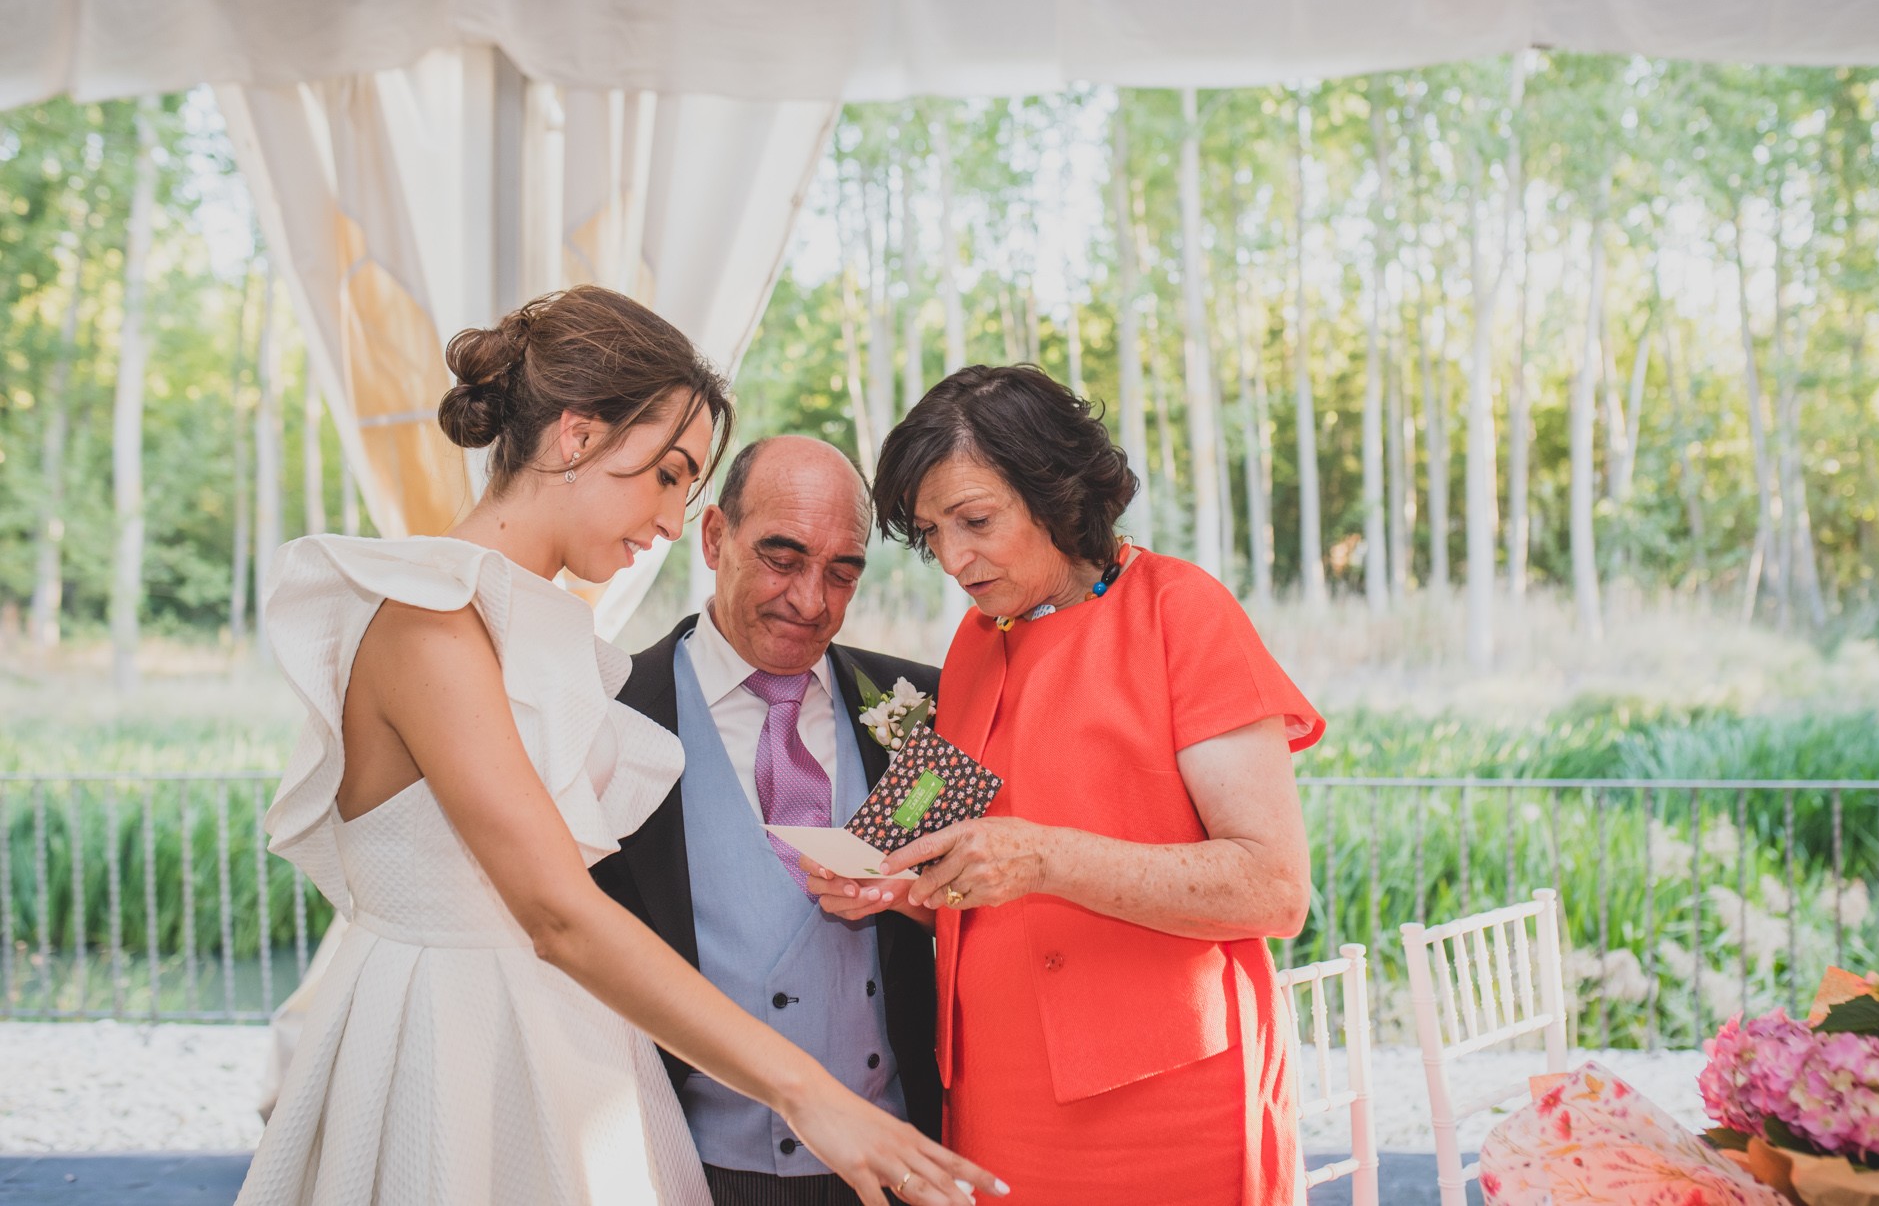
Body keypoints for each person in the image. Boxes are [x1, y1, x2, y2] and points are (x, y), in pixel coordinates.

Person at [239, 288, 999, 1206]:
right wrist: (807, 1091)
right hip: (459, 1055)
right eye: (668, 474)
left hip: (578, 1054)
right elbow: (559, 915)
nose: (673, 519)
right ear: (577, 436)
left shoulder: (536, 637)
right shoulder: (428, 625)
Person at [808, 364, 1324, 1205]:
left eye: (975, 520)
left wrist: (1045, 857)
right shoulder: (975, 642)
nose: (953, 558)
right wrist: (893, 886)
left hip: (1164, 1108)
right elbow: (963, 874)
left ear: (1054, 491)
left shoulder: (1181, 611)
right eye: (933, 531)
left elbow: (1274, 887)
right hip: (994, 1098)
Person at [592, 436, 945, 1206]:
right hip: (695, 1169)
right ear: (715, 537)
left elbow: (983, 920)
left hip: (901, 1163)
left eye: (842, 572)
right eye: (783, 559)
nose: (811, 601)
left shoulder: (925, 707)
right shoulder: (610, 715)